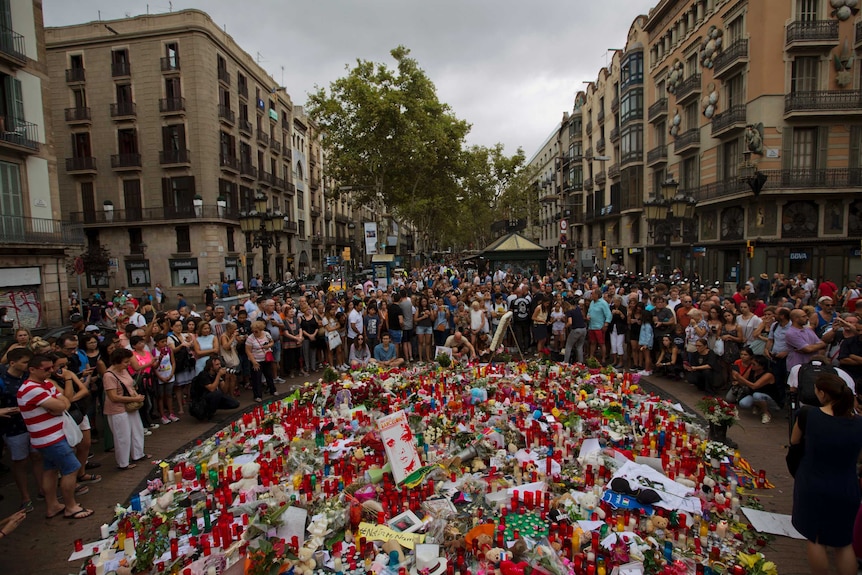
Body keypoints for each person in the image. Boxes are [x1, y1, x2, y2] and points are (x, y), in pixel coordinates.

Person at [791, 373, 862, 575]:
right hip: (847, 486)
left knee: (816, 539)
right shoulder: (858, 424)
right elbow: (859, 458)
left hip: (814, 484)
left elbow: (795, 443)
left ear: (822, 393)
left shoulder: (808, 415)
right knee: (843, 542)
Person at [17, 355, 93, 519]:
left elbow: (66, 401)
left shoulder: (45, 384)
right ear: (32, 369)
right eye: (46, 369)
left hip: (51, 436)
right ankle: (71, 506)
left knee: (50, 470)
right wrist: (59, 404)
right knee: (72, 468)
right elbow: (61, 404)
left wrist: (60, 404)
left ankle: (52, 505)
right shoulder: (32, 389)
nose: (51, 371)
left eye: (52, 367)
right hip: (49, 438)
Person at [0, 348, 44, 514]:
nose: (28, 365)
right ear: (12, 363)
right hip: (13, 427)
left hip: (33, 424)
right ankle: (25, 497)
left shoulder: (28, 378)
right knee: (20, 461)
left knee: (37, 456)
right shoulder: (2, 381)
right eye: (25, 362)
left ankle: (42, 489)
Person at [102, 349, 147, 471]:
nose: (128, 364)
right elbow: (113, 397)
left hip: (131, 405)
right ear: (117, 362)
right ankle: (123, 462)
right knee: (123, 436)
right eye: (125, 362)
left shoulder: (123, 370)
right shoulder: (109, 375)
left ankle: (138, 454)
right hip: (117, 409)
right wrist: (133, 398)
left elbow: (130, 384)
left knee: (137, 429)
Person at [731, 355, 779, 424]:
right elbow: (742, 381)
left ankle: (766, 413)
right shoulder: (752, 371)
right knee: (743, 403)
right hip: (754, 395)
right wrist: (737, 377)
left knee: (757, 395)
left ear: (761, 366)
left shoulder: (768, 375)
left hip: (769, 397)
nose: (752, 366)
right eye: (751, 364)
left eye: (754, 364)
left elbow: (754, 386)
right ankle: (758, 406)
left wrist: (740, 377)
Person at [246, 320, 275, 402]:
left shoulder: (266, 334)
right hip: (256, 360)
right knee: (257, 379)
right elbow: (248, 351)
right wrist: (254, 362)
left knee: (269, 375)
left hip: (266, 358)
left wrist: (268, 346)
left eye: (256, 331)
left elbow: (272, 342)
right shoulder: (250, 338)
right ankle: (257, 395)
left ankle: (273, 390)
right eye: (253, 331)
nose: (254, 333)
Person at [152, 333, 178, 424]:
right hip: (160, 376)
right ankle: (163, 415)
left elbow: (173, 362)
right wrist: (160, 377)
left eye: (165, 341)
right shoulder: (154, 352)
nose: (164, 343)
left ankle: (171, 413)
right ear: (157, 343)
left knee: (169, 395)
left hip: (169, 374)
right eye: (162, 342)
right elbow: (154, 367)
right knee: (161, 397)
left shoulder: (169, 350)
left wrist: (171, 374)